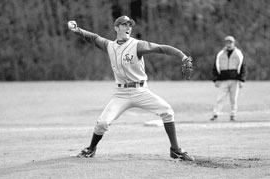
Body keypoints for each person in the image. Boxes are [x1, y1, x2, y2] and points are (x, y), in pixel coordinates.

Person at [67, 15, 195, 161]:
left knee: (167, 111)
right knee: (102, 123)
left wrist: (182, 56)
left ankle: (175, 150)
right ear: (116, 28)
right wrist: (77, 30)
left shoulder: (137, 45)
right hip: (121, 94)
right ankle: (91, 149)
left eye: (130, 25)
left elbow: (160, 48)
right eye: (124, 24)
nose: (128, 27)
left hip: (141, 91)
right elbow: (93, 37)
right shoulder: (109, 46)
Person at [210, 36, 247, 122]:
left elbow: (243, 66)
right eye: (227, 43)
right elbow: (215, 66)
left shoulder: (238, 53)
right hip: (223, 80)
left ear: (234, 43)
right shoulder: (220, 54)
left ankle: (233, 115)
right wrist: (216, 79)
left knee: (233, 99)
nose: (229, 44)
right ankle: (216, 114)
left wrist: (242, 80)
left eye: (230, 43)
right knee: (220, 98)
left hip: (235, 80)